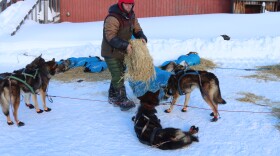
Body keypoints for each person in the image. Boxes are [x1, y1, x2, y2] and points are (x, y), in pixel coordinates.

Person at [101, 0, 147, 111]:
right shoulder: (113, 18)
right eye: (126, 4)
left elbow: (137, 29)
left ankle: (112, 96)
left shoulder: (131, 15)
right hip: (111, 51)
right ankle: (121, 99)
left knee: (120, 73)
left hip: (123, 51)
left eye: (131, 4)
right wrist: (125, 45)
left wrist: (142, 37)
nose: (129, 6)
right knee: (118, 75)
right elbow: (110, 37)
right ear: (121, 4)